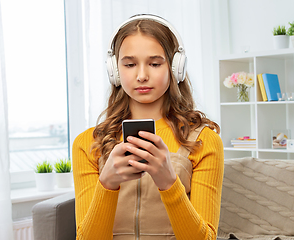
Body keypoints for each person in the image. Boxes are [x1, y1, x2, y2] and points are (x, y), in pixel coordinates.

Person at [73, 14, 224, 240]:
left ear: (175, 68)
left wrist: (169, 183)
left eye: (154, 64)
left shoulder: (204, 141)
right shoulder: (87, 144)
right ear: (115, 71)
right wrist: (107, 183)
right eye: (130, 64)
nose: (142, 75)